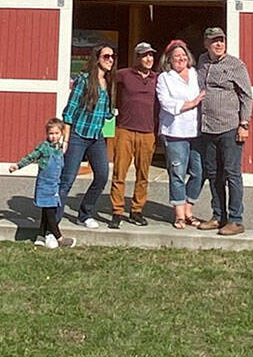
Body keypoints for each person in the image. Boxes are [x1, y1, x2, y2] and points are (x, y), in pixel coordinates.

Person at [196, 26, 252, 236]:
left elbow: (246, 95)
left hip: (230, 127)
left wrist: (244, 124)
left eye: (221, 40)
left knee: (232, 174)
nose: (219, 44)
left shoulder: (235, 65)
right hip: (208, 128)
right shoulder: (202, 62)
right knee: (214, 174)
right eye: (214, 41)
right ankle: (218, 216)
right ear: (206, 44)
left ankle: (236, 220)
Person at [59, 42, 115, 228]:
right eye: (106, 56)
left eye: (112, 57)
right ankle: (52, 222)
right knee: (67, 179)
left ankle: (84, 214)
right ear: (97, 59)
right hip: (78, 135)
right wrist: (66, 139)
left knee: (102, 176)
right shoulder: (83, 80)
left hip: (96, 137)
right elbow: (70, 110)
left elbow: (105, 112)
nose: (110, 60)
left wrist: (113, 113)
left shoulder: (108, 82)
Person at [107, 41, 160, 227]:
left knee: (143, 174)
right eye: (145, 55)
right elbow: (104, 80)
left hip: (147, 132)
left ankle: (136, 210)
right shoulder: (123, 74)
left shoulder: (157, 78)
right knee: (119, 172)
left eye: (151, 55)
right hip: (124, 130)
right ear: (136, 57)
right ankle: (117, 211)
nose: (148, 59)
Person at [156, 39, 205, 229]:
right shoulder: (164, 78)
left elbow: (206, 94)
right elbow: (167, 104)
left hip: (196, 131)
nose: (181, 58)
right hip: (174, 132)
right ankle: (179, 215)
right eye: (176, 56)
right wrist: (193, 103)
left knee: (199, 172)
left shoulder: (195, 74)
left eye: (183, 55)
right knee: (177, 172)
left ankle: (188, 209)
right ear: (169, 59)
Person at [9, 118, 74, 249]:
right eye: (51, 133)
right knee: (50, 211)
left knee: (47, 210)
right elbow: (31, 156)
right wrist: (17, 166)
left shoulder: (60, 148)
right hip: (45, 185)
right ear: (47, 134)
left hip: (55, 185)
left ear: (61, 134)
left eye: (56, 133)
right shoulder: (44, 147)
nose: (53, 136)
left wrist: (66, 139)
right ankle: (59, 237)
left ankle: (40, 235)